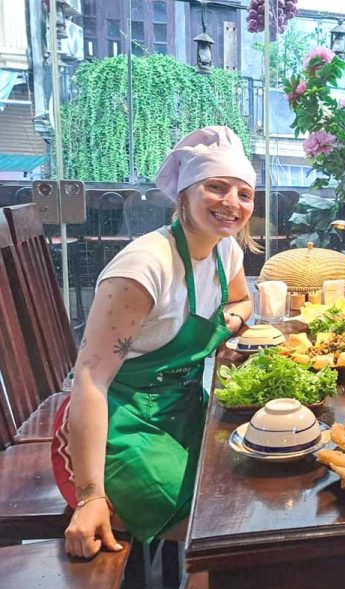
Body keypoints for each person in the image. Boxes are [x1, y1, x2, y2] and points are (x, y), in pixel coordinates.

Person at [51, 126, 258, 558]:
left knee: (245, 485)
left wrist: (232, 320)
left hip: (183, 405)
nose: (232, 203)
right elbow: (89, 381)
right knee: (215, 526)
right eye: (216, 188)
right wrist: (90, 496)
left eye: (244, 194)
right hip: (118, 425)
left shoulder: (226, 252)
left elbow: (241, 298)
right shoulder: (144, 267)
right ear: (184, 194)